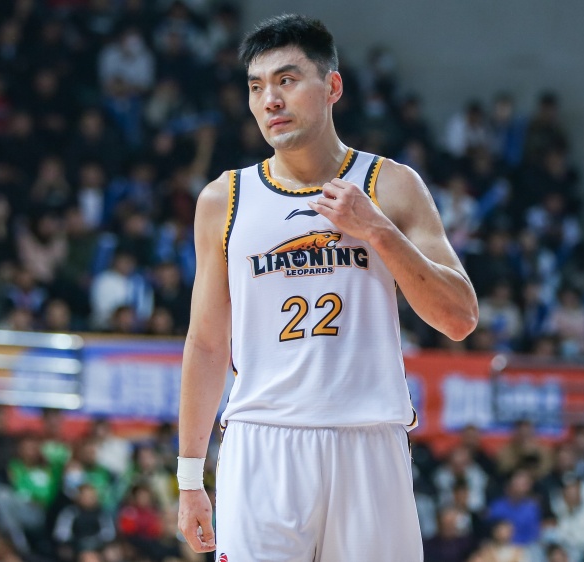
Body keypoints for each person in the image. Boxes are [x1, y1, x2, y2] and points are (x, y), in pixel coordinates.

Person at [176, 13, 478, 561]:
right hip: (262, 440)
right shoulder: (224, 198)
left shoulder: (391, 185)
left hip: (369, 438)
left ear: (332, 86)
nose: (270, 99)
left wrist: (378, 231)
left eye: (287, 80)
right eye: (256, 87)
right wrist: (190, 479)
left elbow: (459, 319)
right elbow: (206, 343)